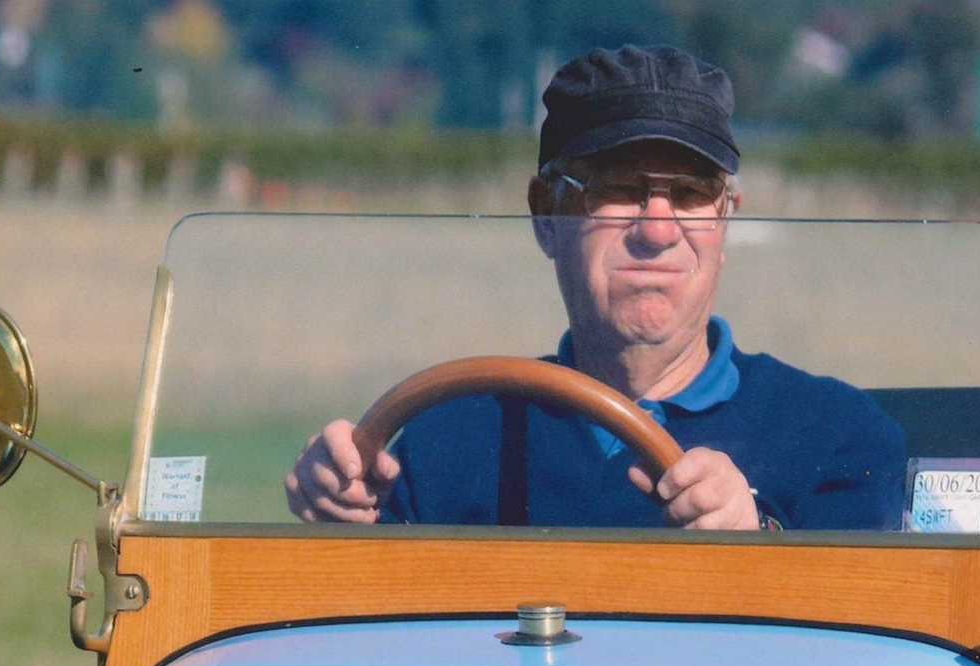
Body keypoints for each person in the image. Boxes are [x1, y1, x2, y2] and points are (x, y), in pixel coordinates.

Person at [285, 44, 904, 533]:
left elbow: (860, 632)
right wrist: (340, 504)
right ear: (545, 215)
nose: (658, 229)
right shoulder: (447, 440)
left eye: (691, 194)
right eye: (618, 190)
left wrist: (757, 537)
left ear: (726, 220)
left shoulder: (838, 437)